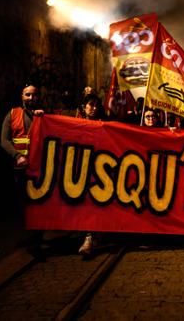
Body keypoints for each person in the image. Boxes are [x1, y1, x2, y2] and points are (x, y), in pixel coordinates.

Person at [0, 83, 45, 253]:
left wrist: (44, 118)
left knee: (38, 203)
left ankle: (36, 238)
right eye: (28, 95)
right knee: (24, 203)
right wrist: (17, 156)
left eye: (34, 95)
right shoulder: (12, 115)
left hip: (40, 169)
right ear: (22, 96)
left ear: (39, 97)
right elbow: (4, 141)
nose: (31, 98)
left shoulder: (44, 115)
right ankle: (33, 236)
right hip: (19, 169)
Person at [77, 93, 105, 256]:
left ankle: (91, 236)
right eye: (90, 105)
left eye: (96, 105)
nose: (94, 108)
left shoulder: (103, 124)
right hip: (82, 170)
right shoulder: (75, 124)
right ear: (83, 107)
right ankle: (89, 236)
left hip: (99, 171)